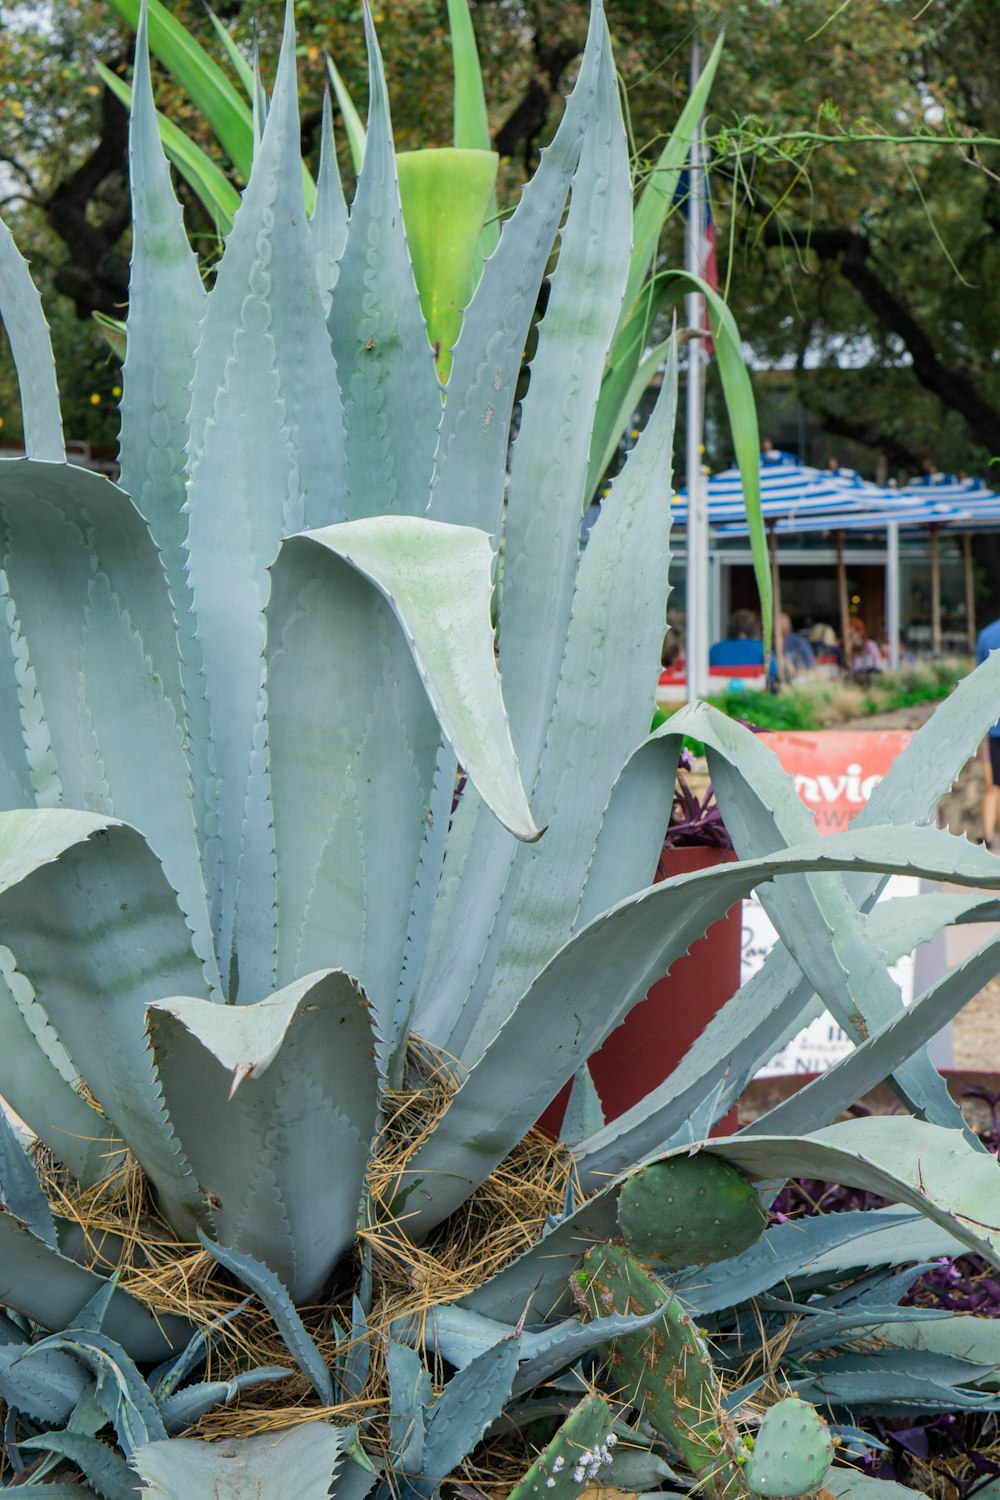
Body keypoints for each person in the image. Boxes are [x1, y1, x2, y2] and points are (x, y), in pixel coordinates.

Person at [976, 615, 1000, 849]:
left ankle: (989, 836)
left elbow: (979, 682)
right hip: (994, 726)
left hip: (992, 724)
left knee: (992, 785)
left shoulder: (987, 634)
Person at [778, 612, 815, 676]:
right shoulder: (768, 644)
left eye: (783, 625)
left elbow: (811, 668)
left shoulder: (799, 642)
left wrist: (794, 671)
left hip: (797, 681)